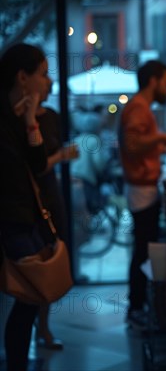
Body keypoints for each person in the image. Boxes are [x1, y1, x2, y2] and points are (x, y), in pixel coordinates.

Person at [0, 43, 51, 371]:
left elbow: (39, 164)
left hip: (24, 219)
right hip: (10, 222)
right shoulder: (2, 120)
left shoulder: (20, 116)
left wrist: (32, 118)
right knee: (32, 293)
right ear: (22, 76)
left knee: (31, 297)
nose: (47, 83)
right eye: (43, 75)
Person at [118, 60, 166, 330]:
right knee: (142, 250)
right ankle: (136, 307)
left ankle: (138, 305)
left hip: (142, 187)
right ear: (153, 81)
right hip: (141, 188)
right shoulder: (139, 107)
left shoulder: (141, 107)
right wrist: (160, 138)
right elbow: (132, 144)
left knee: (143, 248)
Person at [35, 105, 79, 351]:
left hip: (52, 194)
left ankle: (42, 326)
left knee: (51, 259)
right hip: (30, 201)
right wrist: (60, 157)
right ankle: (38, 327)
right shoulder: (16, 118)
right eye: (42, 75)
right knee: (36, 264)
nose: (49, 81)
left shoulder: (51, 116)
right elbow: (37, 165)